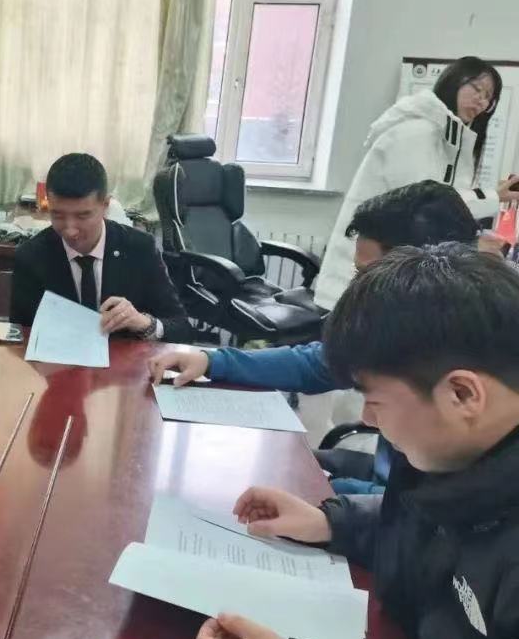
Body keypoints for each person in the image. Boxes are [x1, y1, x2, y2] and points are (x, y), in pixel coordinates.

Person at [195, 244, 519, 639]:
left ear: (461, 394)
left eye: (375, 401)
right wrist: (334, 522)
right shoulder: (452, 453)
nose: (367, 418)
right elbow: (428, 529)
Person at [149, 180, 481, 492]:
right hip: (385, 483)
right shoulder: (404, 321)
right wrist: (211, 361)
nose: (358, 289)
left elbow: (423, 513)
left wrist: (326, 494)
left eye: (369, 276)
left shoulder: (470, 360)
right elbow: (321, 363)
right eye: (358, 274)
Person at [315, 56, 514, 309]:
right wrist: (479, 230)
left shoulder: (447, 137)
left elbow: (441, 198)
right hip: (360, 279)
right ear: (454, 81)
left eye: (488, 97)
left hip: (385, 275)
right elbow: (424, 208)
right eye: (477, 88)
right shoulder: (417, 132)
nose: (481, 101)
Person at [10, 153, 192, 342]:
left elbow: (182, 330)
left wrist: (144, 323)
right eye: (58, 215)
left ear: (105, 205)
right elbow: (21, 336)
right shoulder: (31, 256)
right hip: (56, 359)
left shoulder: (140, 249)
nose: (70, 230)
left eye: (82, 216)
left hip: (124, 359)